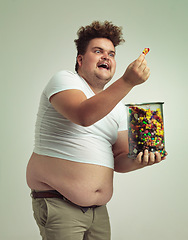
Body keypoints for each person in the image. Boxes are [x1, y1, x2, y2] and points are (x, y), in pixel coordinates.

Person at [26, 21, 166, 240]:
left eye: (111, 53)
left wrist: (142, 160)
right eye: (98, 51)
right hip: (59, 205)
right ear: (80, 60)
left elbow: (119, 159)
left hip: (98, 214)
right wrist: (128, 81)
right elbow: (83, 115)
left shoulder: (117, 107)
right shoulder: (65, 80)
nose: (106, 57)